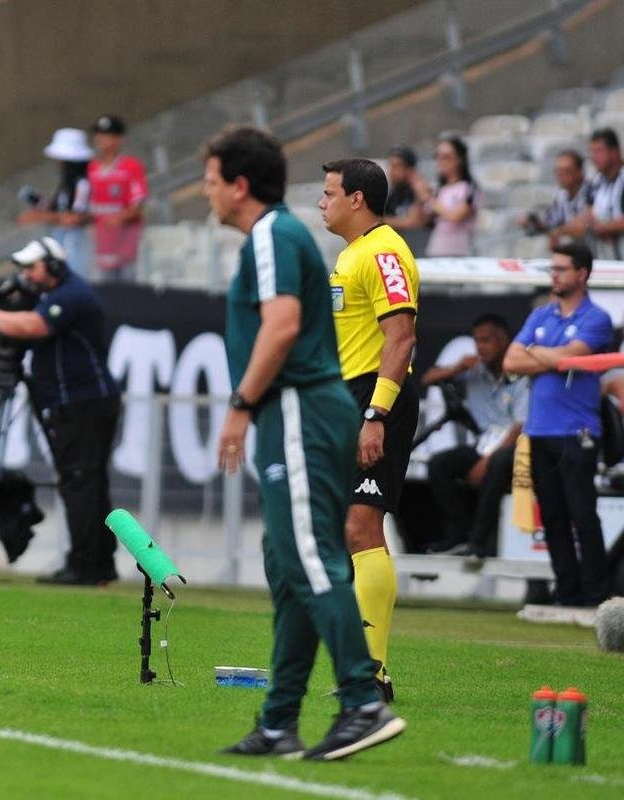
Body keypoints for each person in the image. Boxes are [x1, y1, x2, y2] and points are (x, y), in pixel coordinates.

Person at [210, 127, 403, 761]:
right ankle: (278, 721)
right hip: (304, 410)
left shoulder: (269, 233)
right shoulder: (284, 234)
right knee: (290, 565)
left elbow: (283, 324)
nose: (205, 192)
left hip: (295, 408)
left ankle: (361, 701)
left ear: (239, 185)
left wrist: (240, 406)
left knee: (313, 558)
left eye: (211, 179)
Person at [0, 236, 121, 586]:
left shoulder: (69, 296)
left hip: (82, 402)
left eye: (32, 266)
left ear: (54, 266)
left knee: (80, 482)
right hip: (74, 401)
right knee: (87, 481)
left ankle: (86, 565)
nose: (26, 274)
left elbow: (33, 326)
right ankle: (98, 563)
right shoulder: (51, 294)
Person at [319, 157, 421, 703]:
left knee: (362, 529)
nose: (321, 202)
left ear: (357, 198)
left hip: (376, 398)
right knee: (346, 534)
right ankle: (358, 664)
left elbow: (400, 338)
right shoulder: (352, 253)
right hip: (349, 398)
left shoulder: (383, 250)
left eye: (329, 192)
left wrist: (375, 415)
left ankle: (372, 673)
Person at [503, 242, 611, 608]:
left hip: (576, 430)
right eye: (553, 269)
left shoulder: (596, 317)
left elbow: (572, 359)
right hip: (540, 430)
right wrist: (553, 358)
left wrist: (536, 354)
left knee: (582, 513)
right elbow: (511, 361)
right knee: (552, 515)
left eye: (561, 269)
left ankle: (595, 593)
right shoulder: (541, 315)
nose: (554, 276)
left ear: (581, 274)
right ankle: (567, 592)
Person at [421, 314, 529, 558]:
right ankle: (458, 536)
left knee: (498, 464)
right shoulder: (474, 371)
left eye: (486, 340)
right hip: (484, 444)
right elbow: (428, 379)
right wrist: (455, 368)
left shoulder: (521, 373)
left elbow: (520, 428)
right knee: (440, 464)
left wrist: (486, 462)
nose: (480, 346)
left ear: (503, 341)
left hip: (517, 449)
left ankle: (480, 543)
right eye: (477, 340)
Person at [16, 127, 93, 277]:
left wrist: (39, 217)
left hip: (74, 245)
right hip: (60, 241)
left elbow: (74, 217)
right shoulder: (66, 183)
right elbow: (57, 208)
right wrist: (37, 201)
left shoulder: (81, 183)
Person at [85, 115, 147, 282]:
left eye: (107, 134)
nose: (101, 139)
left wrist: (118, 218)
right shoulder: (90, 169)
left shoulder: (131, 167)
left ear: (119, 139)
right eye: (98, 134)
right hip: (100, 246)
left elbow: (138, 204)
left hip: (127, 245)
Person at [519, 149, 588, 248]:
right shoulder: (562, 196)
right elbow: (550, 221)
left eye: (566, 171)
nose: (561, 176)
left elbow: (581, 227)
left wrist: (558, 232)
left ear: (579, 171)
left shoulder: (591, 193)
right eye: (558, 171)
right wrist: (533, 222)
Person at [424, 136, 478, 257]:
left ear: (460, 159)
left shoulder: (469, 188)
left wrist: (429, 199)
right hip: (436, 250)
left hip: (458, 252)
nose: (440, 162)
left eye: (446, 157)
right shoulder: (439, 189)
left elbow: (455, 216)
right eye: (438, 157)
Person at [581, 128, 624, 261]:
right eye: (592, 152)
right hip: (605, 256)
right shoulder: (595, 182)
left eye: (599, 151)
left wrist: (606, 227)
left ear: (614, 152)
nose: (594, 157)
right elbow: (587, 215)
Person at [383, 146, 431, 255]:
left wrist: (381, 221)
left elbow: (414, 221)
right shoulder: (392, 194)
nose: (392, 171)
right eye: (391, 166)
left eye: (397, 166)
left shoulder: (420, 192)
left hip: (417, 258)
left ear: (410, 169)